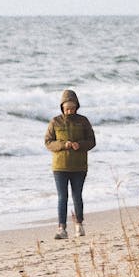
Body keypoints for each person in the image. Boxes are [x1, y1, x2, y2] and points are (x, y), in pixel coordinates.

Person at [44, 88, 96, 239]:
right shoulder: (55, 121)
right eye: (67, 108)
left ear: (77, 107)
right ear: (62, 107)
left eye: (72, 108)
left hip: (79, 166)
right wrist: (62, 145)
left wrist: (80, 145)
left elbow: (92, 141)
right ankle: (62, 228)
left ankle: (79, 226)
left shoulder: (83, 121)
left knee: (77, 195)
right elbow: (48, 142)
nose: (69, 111)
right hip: (60, 166)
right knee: (62, 197)